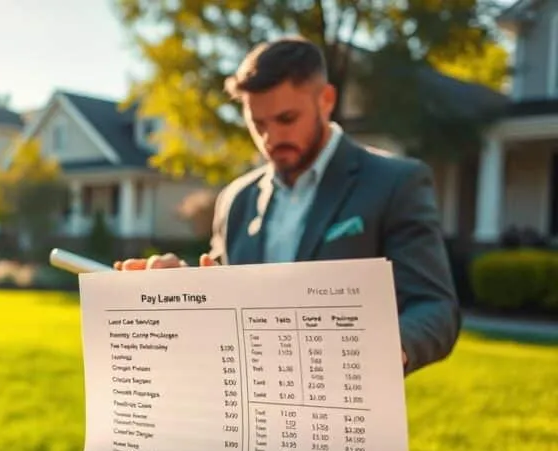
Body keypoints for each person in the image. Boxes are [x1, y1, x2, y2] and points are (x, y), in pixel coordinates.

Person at [114, 37, 460, 376]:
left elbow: (435, 307)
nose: (271, 138)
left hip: (348, 399)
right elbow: (222, 303)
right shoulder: (236, 199)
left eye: (287, 118)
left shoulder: (395, 182)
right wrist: (179, 290)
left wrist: (388, 347)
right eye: (258, 124)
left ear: (326, 100)